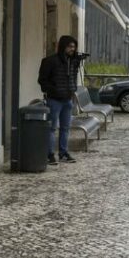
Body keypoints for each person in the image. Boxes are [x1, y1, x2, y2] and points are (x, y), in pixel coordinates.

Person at [38, 35, 85, 165]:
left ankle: (63, 153)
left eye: (74, 47)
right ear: (63, 46)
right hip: (54, 100)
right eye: (70, 46)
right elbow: (42, 80)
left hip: (67, 99)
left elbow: (72, 78)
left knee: (65, 128)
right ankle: (49, 155)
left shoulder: (73, 62)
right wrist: (52, 91)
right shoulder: (50, 61)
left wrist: (72, 91)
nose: (72, 49)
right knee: (52, 128)